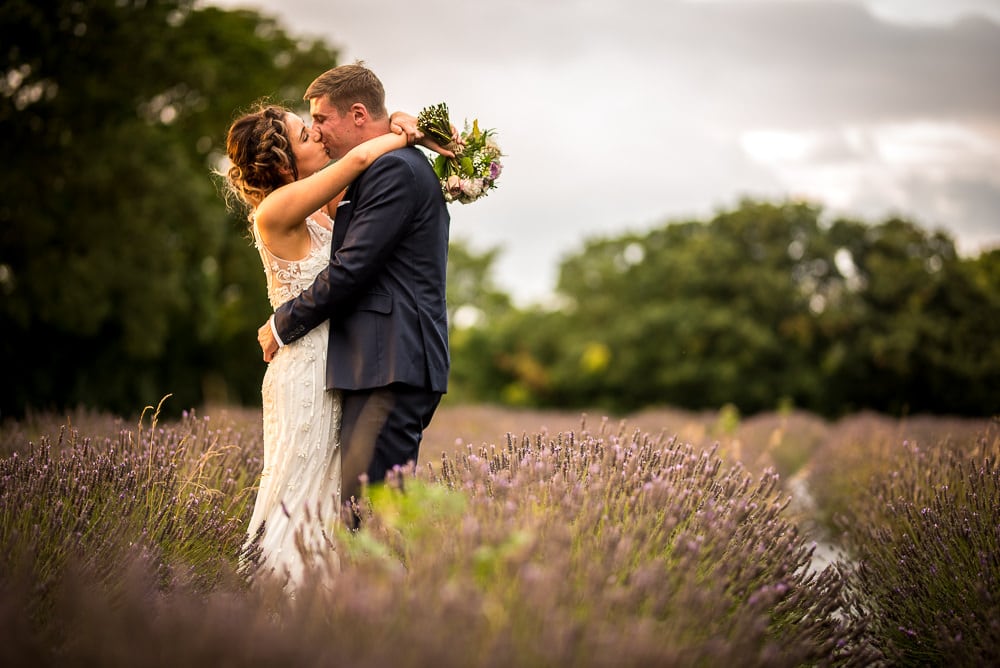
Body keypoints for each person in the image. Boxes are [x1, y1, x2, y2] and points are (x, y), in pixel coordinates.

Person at [224, 99, 445, 585]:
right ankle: (281, 600)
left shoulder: (320, 202)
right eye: (306, 135)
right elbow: (362, 158)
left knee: (332, 492)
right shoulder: (277, 209)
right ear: (284, 164)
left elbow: (365, 158)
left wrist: (401, 118)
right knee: (301, 487)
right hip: (304, 367)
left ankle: (333, 610)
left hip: (340, 359)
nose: (319, 137)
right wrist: (410, 136)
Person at [256, 63, 451, 528]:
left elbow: (352, 270)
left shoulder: (393, 171)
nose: (318, 133)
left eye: (320, 120)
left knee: (370, 520)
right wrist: (404, 126)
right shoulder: (369, 172)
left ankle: (382, 601)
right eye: (309, 129)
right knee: (357, 517)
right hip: (373, 364)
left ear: (358, 114)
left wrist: (282, 325)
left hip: (391, 365)